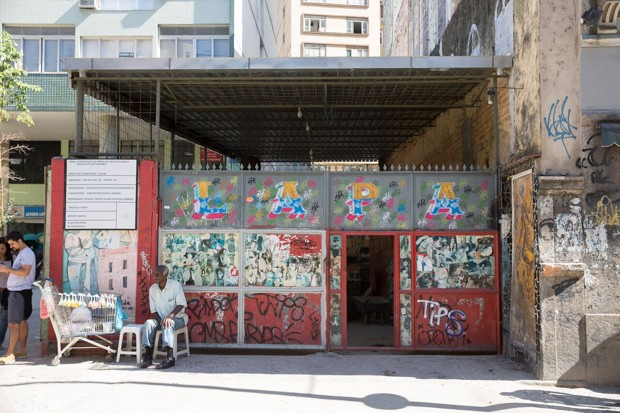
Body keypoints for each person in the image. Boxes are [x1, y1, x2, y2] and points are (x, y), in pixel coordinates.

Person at [140, 265, 187, 370]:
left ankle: (170, 358)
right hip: (160, 318)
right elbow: (154, 311)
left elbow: (181, 304)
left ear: (165, 276)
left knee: (167, 324)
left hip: (178, 318)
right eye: (154, 274)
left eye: (158, 275)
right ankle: (148, 356)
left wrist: (169, 317)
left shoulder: (175, 285)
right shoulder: (152, 289)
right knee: (148, 323)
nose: (155, 276)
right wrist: (160, 320)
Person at [0, 231, 36, 365]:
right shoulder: (24, 253)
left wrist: (6, 270)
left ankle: (9, 354)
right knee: (21, 322)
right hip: (21, 292)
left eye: (12, 243)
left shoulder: (26, 253)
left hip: (18, 293)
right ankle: (21, 350)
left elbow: (25, 272)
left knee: (13, 324)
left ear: (19, 241)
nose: (11, 247)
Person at [0, 238, 14, 350]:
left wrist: (7, 270)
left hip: (6, 292)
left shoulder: (12, 260)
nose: (0, 251)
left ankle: (0, 341)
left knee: (4, 318)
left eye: (2, 248)